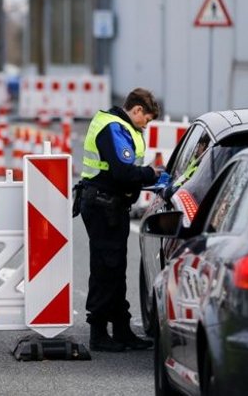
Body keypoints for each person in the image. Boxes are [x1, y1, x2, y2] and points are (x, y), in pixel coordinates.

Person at [78, 87, 161, 352]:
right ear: (136, 109)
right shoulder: (113, 128)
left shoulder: (124, 128)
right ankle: (99, 333)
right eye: (146, 118)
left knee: (115, 269)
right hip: (103, 205)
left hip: (111, 206)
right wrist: (151, 174)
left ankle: (122, 330)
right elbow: (123, 171)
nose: (146, 124)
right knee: (105, 268)